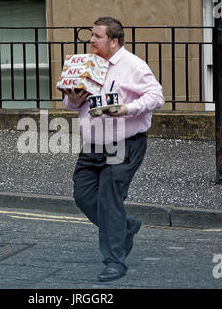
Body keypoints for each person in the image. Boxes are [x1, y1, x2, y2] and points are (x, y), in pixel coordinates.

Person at [62, 17, 164, 282]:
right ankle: (125, 226)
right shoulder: (88, 65)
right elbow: (72, 103)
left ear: (114, 40)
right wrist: (71, 100)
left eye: (97, 36)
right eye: (91, 36)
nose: (91, 40)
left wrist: (127, 109)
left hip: (124, 143)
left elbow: (156, 97)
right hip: (92, 145)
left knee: (109, 199)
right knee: (83, 195)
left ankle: (114, 261)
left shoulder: (134, 66)